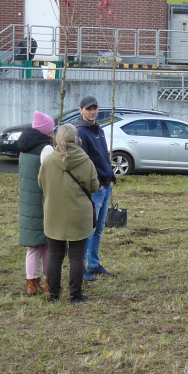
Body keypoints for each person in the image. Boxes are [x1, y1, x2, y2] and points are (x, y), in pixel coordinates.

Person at [39, 123, 99, 304]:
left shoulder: (48, 161)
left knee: (55, 255)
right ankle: (75, 294)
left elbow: (41, 183)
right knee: (76, 256)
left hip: (53, 214)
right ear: (76, 139)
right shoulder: (86, 161)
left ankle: (54, 295)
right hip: (79, 215)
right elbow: (94, 186)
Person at [74, 96, 116, 281]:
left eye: (95, 108)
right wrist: (95, 183)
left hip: (106, 185)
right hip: (96, 188)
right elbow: (84, 162)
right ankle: (81, 267)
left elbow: (103, 155)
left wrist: (112, 177)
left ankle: (93, 264)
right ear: (80, 110)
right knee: (89, 230)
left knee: (99, 228)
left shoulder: (98, 129)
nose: (92, 112)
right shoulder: (81, 132)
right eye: (88, 109)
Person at [17, 110, 54, 296]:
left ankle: (31, 283)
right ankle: (49, 281)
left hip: (27, 202)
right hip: (42, 202)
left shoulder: (24, 147)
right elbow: (51, 177)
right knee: (46, 245)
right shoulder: (45, 149)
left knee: (33, 246)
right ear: (47, 131)